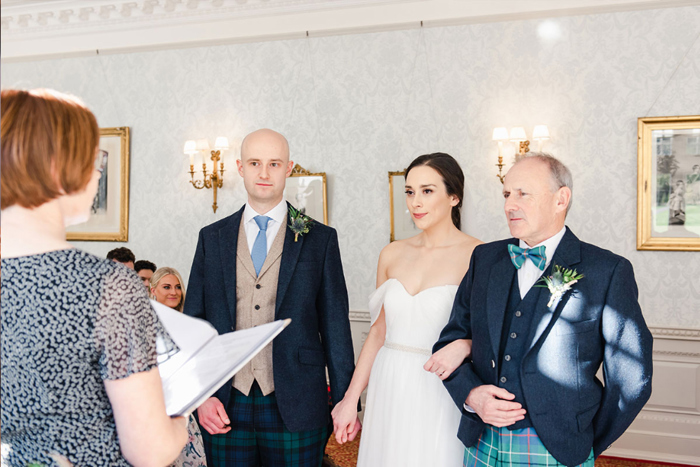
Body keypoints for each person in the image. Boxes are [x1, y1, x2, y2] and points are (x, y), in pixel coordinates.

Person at [0, 88, 187, 466]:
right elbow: (150, 451)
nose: (97, 171)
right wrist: (182, 417)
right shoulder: (109, 287)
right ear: (55, 165)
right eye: (91, 157)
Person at [434, 153, 653, 466]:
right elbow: (449, 342)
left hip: (557, 449)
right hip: (481, 441)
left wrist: (581, 441)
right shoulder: (485, 260)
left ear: (561, 199)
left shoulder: (607, 271)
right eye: (507, 194)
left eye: (523, 193)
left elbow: (633, 379)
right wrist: (470, 395)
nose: (510, 205)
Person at [183, 128, 357, 467]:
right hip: (225, 402)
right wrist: (200, 396)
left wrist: (345, 400)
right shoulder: (211, 238)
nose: (264, 173)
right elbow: (195, 324)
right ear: (239, 167)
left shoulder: (320, 239)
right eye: (255, 163)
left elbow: (335, 325)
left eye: (274, 164)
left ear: (289, 168)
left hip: (298, 400)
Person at [331, 153, 481, 466]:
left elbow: (490, 335)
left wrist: (465, 345)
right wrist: (350, 399)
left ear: (454, 196)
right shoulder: (392, 253)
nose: (415, 202)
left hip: (441, 383)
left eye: (427, 191)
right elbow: (377, 333)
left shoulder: (478, 256)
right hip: (389, 379)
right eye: (410, 192)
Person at [150, 267, 208, 467]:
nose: (173, 292)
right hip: (151, 410)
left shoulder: (190, 324)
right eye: (166, 287)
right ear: (153, 290)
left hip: (182, 411)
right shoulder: (141, 324)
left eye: (177, 287)